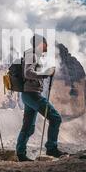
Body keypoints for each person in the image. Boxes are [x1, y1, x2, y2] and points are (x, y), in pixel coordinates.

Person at [16, 34, 67, 162]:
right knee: (55, 118)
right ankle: (51, 148)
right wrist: (45, 74)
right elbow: (27, 72)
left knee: (28, 126)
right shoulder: (32, 55)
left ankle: (20, 154)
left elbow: (30, 72)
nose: (47, 46)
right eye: (45, 43)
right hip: (32, 94)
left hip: (29, 94)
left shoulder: (32, 55)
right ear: (39, 44)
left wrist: (46, 72)